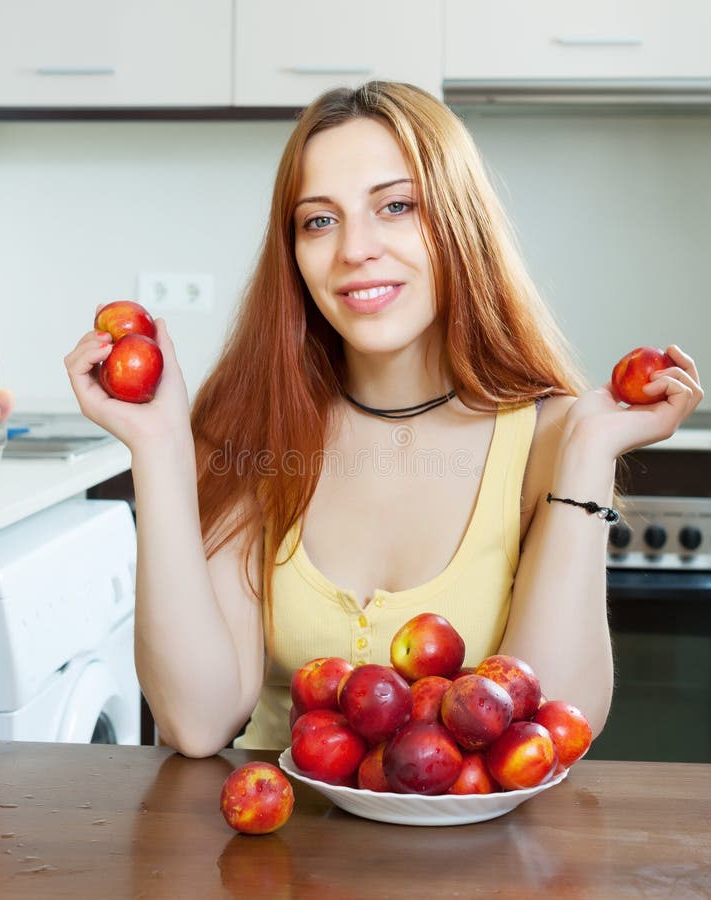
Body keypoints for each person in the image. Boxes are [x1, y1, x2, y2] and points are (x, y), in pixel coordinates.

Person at [65, 81, 703, 756]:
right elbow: (198, 723)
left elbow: (546, 727)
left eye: (395, 207)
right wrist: (161, 448)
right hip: (269, 848)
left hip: (475, 856)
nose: (354, 249)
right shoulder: (249, 429)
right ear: (294, 257)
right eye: (319, 220)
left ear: (459, 223)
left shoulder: (549, 437)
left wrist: (589, 453)